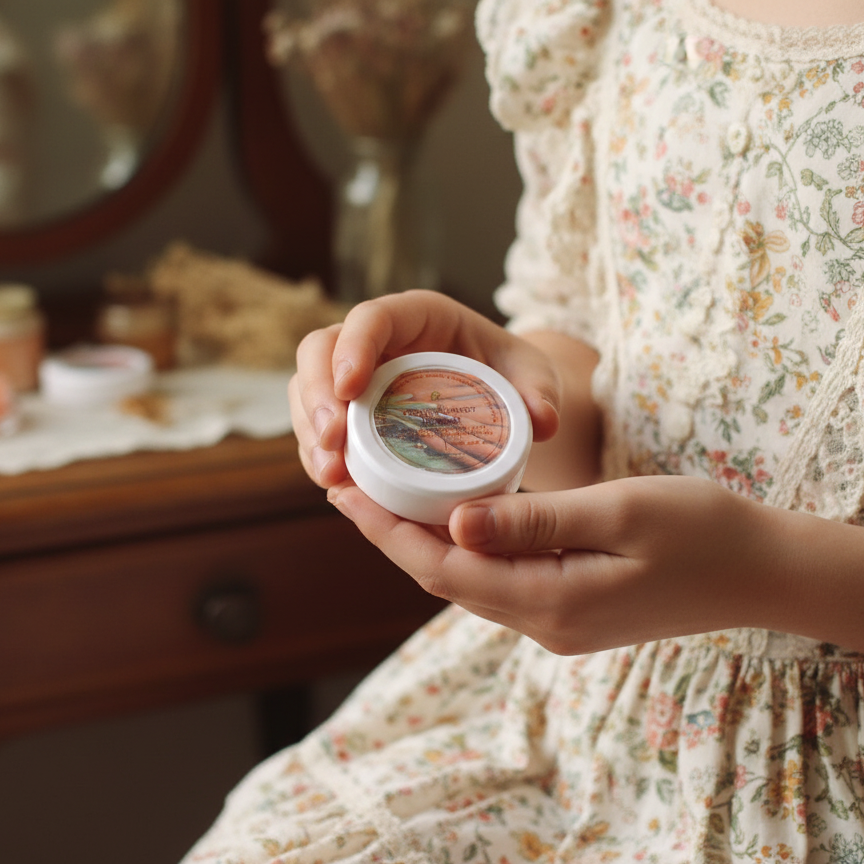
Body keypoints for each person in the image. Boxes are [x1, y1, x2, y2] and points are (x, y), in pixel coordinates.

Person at [183, 0, 864, 860]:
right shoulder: (597, 17)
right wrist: (505, 398)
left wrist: (770, 574)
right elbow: (588, 347)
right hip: (578, 720)